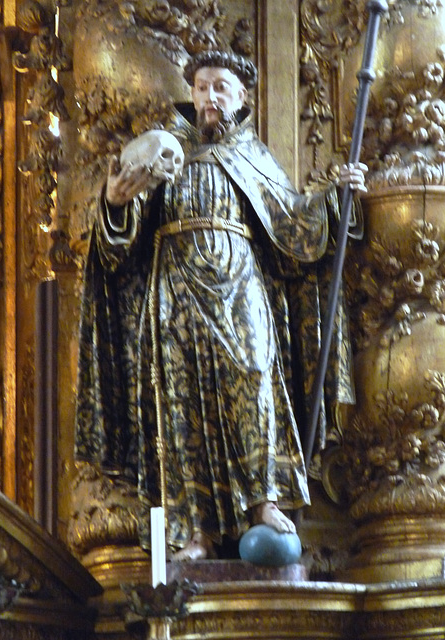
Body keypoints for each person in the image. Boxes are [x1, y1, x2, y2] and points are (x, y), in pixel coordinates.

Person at [74, 50, 366, 561]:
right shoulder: (162, 151)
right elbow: (118, 245)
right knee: (179, 403)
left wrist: (335, 198)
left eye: (221, 88)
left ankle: (263, 502)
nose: (211, 97)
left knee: (255, 374)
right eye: (203, 87)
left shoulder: (251, 153)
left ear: (242, 97)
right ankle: (193, 532)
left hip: (240, 288)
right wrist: (117, 202)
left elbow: (293, 223)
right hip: (174, 293)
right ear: (192, 93)